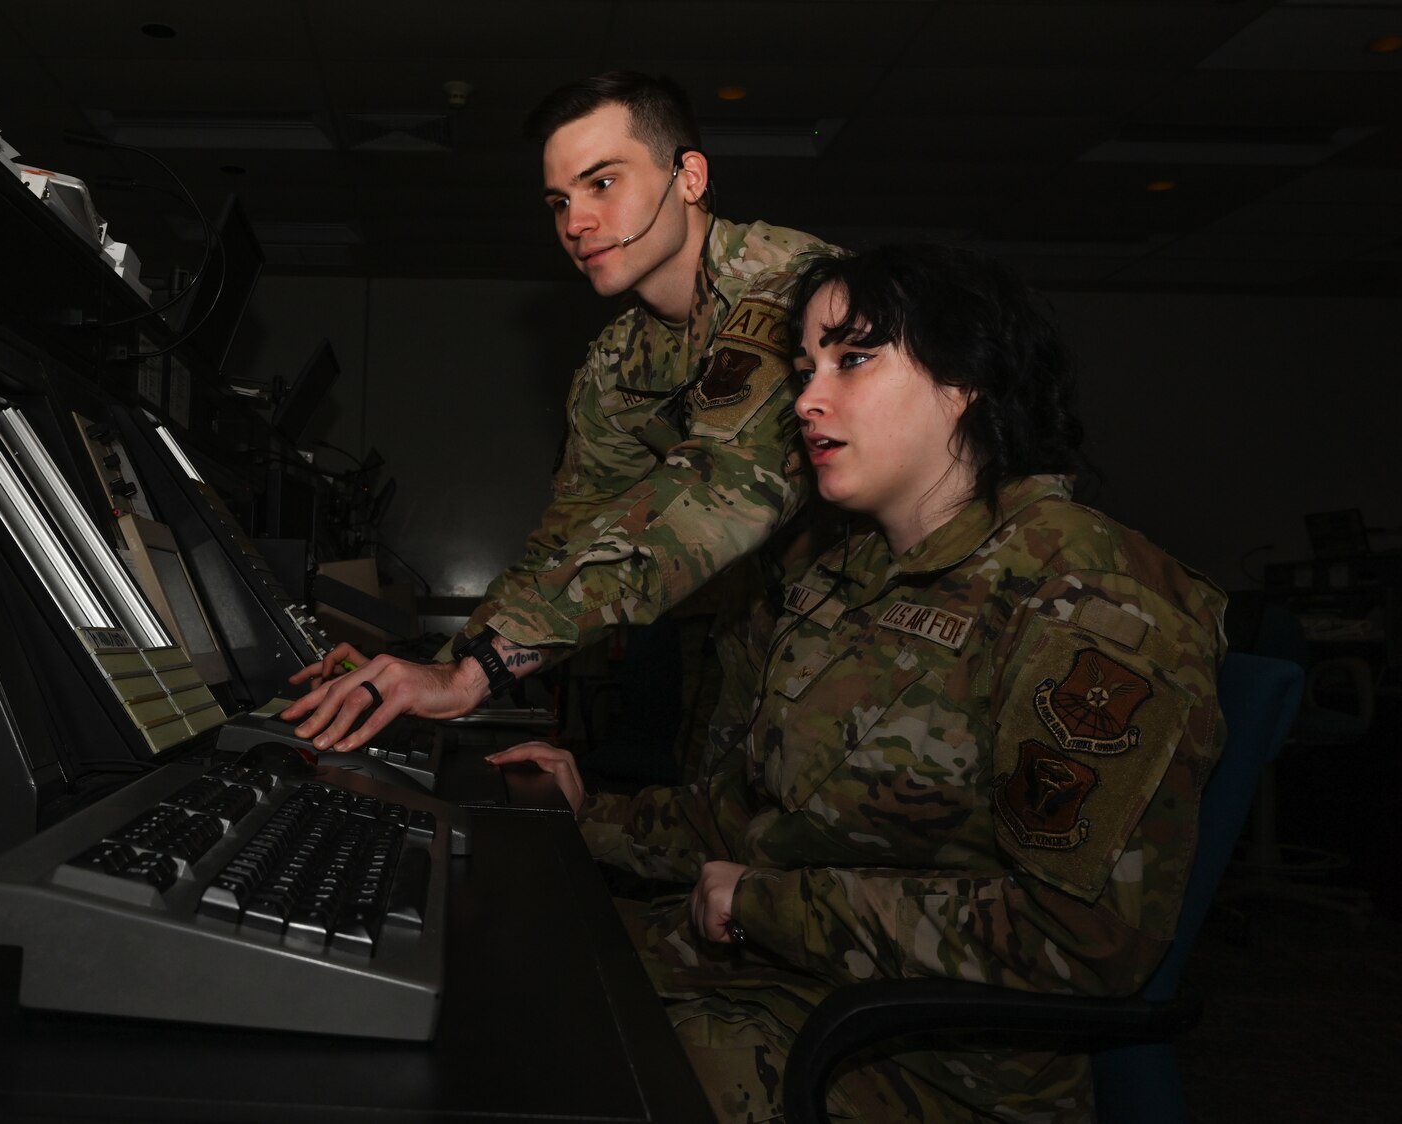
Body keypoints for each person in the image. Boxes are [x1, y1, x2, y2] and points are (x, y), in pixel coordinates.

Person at [490, 244, 1228, 1122]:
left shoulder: (1089, 594)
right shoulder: (848, 572)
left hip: (927, 1067)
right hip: (777, 987)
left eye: (854, 358)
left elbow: (1076, 938)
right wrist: (586, 821)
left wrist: (770, 905)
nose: (806, 397)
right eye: (807, 367)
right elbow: (762, 816)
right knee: (496, 985)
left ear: (968, 382)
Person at [281, 73, 832, 755]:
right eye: (558, 201)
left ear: (689, 177)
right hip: (762, 659)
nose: (575, 224)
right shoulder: (619, 362)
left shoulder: (796, 292)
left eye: (603, 183)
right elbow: (568, 545)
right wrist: (437, 666)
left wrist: (473, 673)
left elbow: (722, 484)